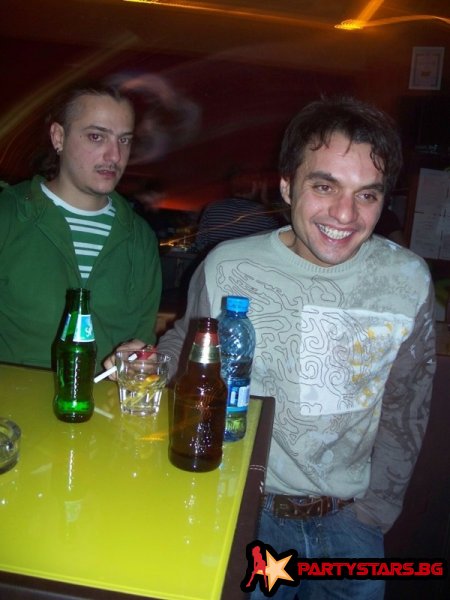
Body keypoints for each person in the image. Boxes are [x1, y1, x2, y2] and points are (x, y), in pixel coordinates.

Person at [156, 96, 436, 599]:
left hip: (350, 524)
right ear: (287, 185)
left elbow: (407, 405)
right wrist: (149, 363)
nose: (345, 214)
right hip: (246, 511)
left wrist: (377, 511)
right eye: (324, 186)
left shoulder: (408, 280)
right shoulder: (229, 266)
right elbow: (187, 345)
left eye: (367, 195)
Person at [0, 83, 162, 370]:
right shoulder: (8, 215)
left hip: (106, 398)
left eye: (124, 140)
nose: (114, 156)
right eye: (96, 137)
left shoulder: (140, 238)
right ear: (58, 137)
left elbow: (142, 340)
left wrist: (139, 359)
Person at [194, 167, 282, 253]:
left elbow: (200, 244)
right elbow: (275, 245)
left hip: (216, 260)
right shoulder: (265, 214)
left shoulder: (212, 208)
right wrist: (265, 200)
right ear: (256, 186)